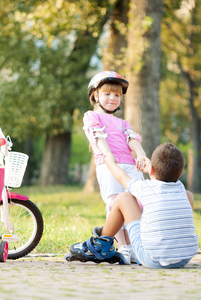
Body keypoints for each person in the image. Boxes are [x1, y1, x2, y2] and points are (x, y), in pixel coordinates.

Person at [69, 142, 198, 268]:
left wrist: (110, 163)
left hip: (151, 258)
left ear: (151, 170)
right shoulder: (183, 191)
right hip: (184, 258)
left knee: (124, 198)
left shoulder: (145, 187)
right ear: (180, 173)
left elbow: (121, 177)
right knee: (188, 196)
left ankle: (100, 244)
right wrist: (153, 171)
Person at [83, 71, 150, 264]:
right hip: (109, 164)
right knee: (115, 204)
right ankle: (124, 247)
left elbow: (131, 139)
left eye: (117, 95)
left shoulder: (123, 123)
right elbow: (98, 137)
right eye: (107, 94)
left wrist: (142, 154)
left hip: (130, 165)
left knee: (137, 202)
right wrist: (109, 155)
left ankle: (137, 246)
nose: (112, 98)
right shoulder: (91, 116)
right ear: (96, 95)